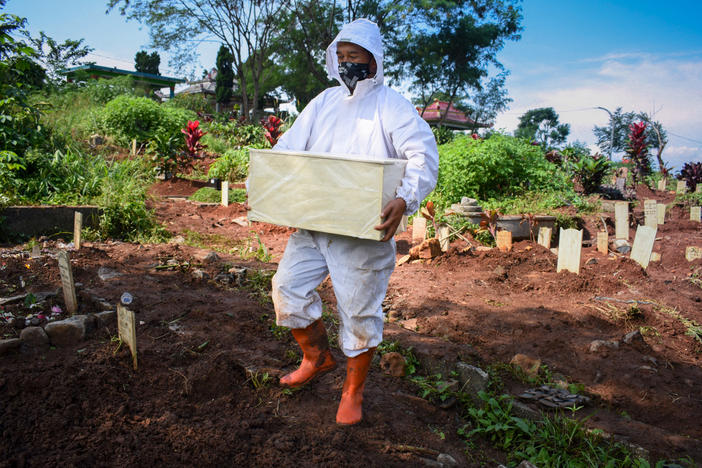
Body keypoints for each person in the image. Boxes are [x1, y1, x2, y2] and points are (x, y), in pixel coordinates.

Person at [271, 18, 438, 425]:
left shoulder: (391, 105)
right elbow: (289, 147)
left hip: (364, 228)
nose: (347, 63)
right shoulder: (324, 102)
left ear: (374, 60)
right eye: (341, 57)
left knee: (359, 314)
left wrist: (404, 197)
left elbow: (422, 155)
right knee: (287, 291)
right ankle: (317, 357)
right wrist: (273, 180)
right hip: (315, 222)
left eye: (355, 57)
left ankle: (353, 392)